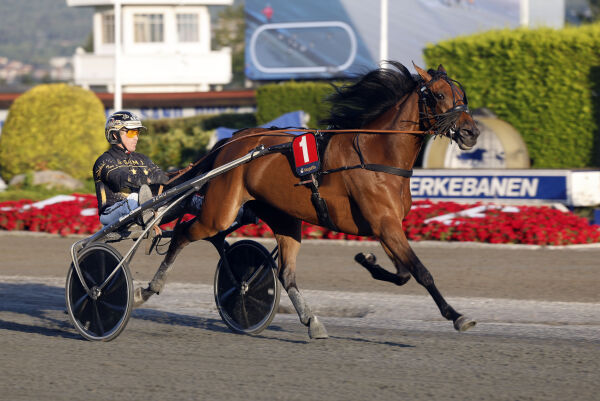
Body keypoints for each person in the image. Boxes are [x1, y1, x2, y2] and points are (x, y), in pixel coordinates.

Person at [94, 110, 257, 229]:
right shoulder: (104, 161)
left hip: (147, 208)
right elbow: (122, 179)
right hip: (113, 212)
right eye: (130, 132)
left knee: (186, 196)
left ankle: (239, 212)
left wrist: (188, 176)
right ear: (114, 135)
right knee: (136, 197)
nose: (136, 137)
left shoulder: (142, 159)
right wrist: (151, 180)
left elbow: (164, 178)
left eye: (136, 132)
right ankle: (145, 210)